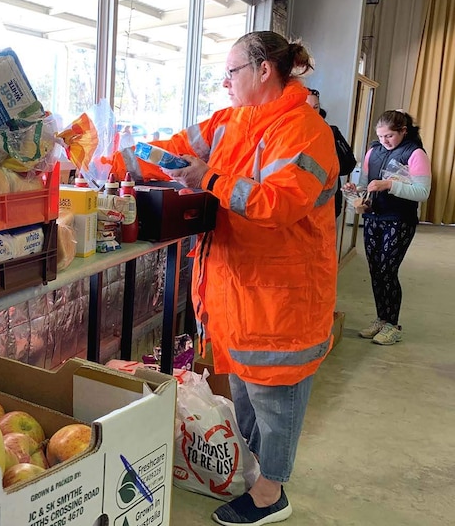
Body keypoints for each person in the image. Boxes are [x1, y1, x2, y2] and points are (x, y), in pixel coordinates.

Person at [110, 31, 339, 526]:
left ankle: (271, 495)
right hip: (236, 294)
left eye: (232, 70)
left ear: (263, 71)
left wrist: (209, 179)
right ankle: (258, 477)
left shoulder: (304, 131)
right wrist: (110, 159)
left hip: (282, 302)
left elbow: (276, 204)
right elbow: (172, 151)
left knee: (275, 401)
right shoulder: (228, 123)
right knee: (246, 399)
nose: (225, 81)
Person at [343, 110, 431, 345]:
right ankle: (381, 319)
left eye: (389, 136)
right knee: (375, 271)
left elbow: (422, 192)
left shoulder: (415, 153)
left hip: (399, 219)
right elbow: (366, 185)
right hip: (373, 219)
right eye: (381, 136)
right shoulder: (374, 151)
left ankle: (393, 324)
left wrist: (389, 185)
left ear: (403, 131)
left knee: (388, 270)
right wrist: (355, 192)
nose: (385, 141)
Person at [306, 88, 357, 217]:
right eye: (307, 107)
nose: (313, 112)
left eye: (315, 107)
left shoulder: (331, 131)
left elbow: (349, 164)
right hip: (303, 201)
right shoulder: (289, 132)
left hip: (328, 200)